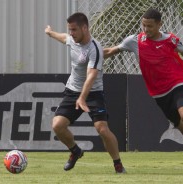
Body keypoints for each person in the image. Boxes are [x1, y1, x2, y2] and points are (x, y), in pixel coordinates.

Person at [104, 8, 183, 172]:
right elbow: (110, 51)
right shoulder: (134, 41)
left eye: (150, 26)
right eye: (143, 25)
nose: (146, 29)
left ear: (159, 24)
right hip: (159, 93)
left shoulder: (170, 40)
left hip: (177, 83)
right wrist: (90, 54)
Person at [45, 12, 125, 173]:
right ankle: (75, 151)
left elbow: (91, 76)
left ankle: (118, 164)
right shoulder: (71, 39)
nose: (71, 33)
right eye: (69, 30)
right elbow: (63, 38)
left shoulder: (94, 48)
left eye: (74, 30)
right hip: (72, 91)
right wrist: (50, 33)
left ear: (85, 28)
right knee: (57, 126)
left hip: (93, 94)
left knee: (102, 129)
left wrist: (82, 98)